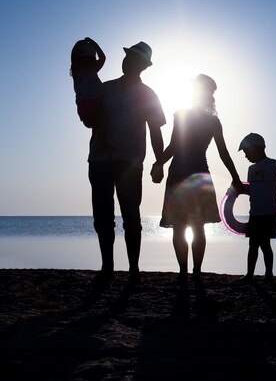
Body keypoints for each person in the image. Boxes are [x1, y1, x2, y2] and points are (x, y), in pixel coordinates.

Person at [151, 74, 243, 284]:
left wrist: (159, 163)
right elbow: (223, 153)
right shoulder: (212, 121)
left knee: (180, 227)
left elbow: (174, 147)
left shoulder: (183, 115)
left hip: (180, 174)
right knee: (197, 226)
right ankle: (195, 273)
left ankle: (185, 272)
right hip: (199, 174)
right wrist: (235, 177)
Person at [88, 41, 166, 285]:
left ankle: (133, 269)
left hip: (130, 162)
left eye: (131, 57)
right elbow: (90, 120)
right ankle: (107, 268)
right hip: (100, 160)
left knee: (131, 216)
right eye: (126, 56)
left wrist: (159, 162)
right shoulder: (105, 89)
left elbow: (156, 131)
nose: (125, 60)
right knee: (102, 216)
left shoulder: (148, 94)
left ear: (142, 65)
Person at [237, 133, 276, 283]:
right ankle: (250, 274)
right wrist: (237, 190)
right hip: (254, 212)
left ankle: (269, 274)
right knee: (252, 244)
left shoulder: (272, 164)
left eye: (246, 152)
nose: (245, 156)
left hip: (269, 212)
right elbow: (251, 189)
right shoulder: (250, 169)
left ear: (257, 149)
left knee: (265, 244)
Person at [70, 37, 106, 128]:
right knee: (101, 127)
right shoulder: (76, 70)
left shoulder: (90, 69)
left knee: (100, 129)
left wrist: (93, 43)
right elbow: (102, 57)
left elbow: (102, 58)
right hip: (89, 105)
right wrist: (93, 43)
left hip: (90, 105)